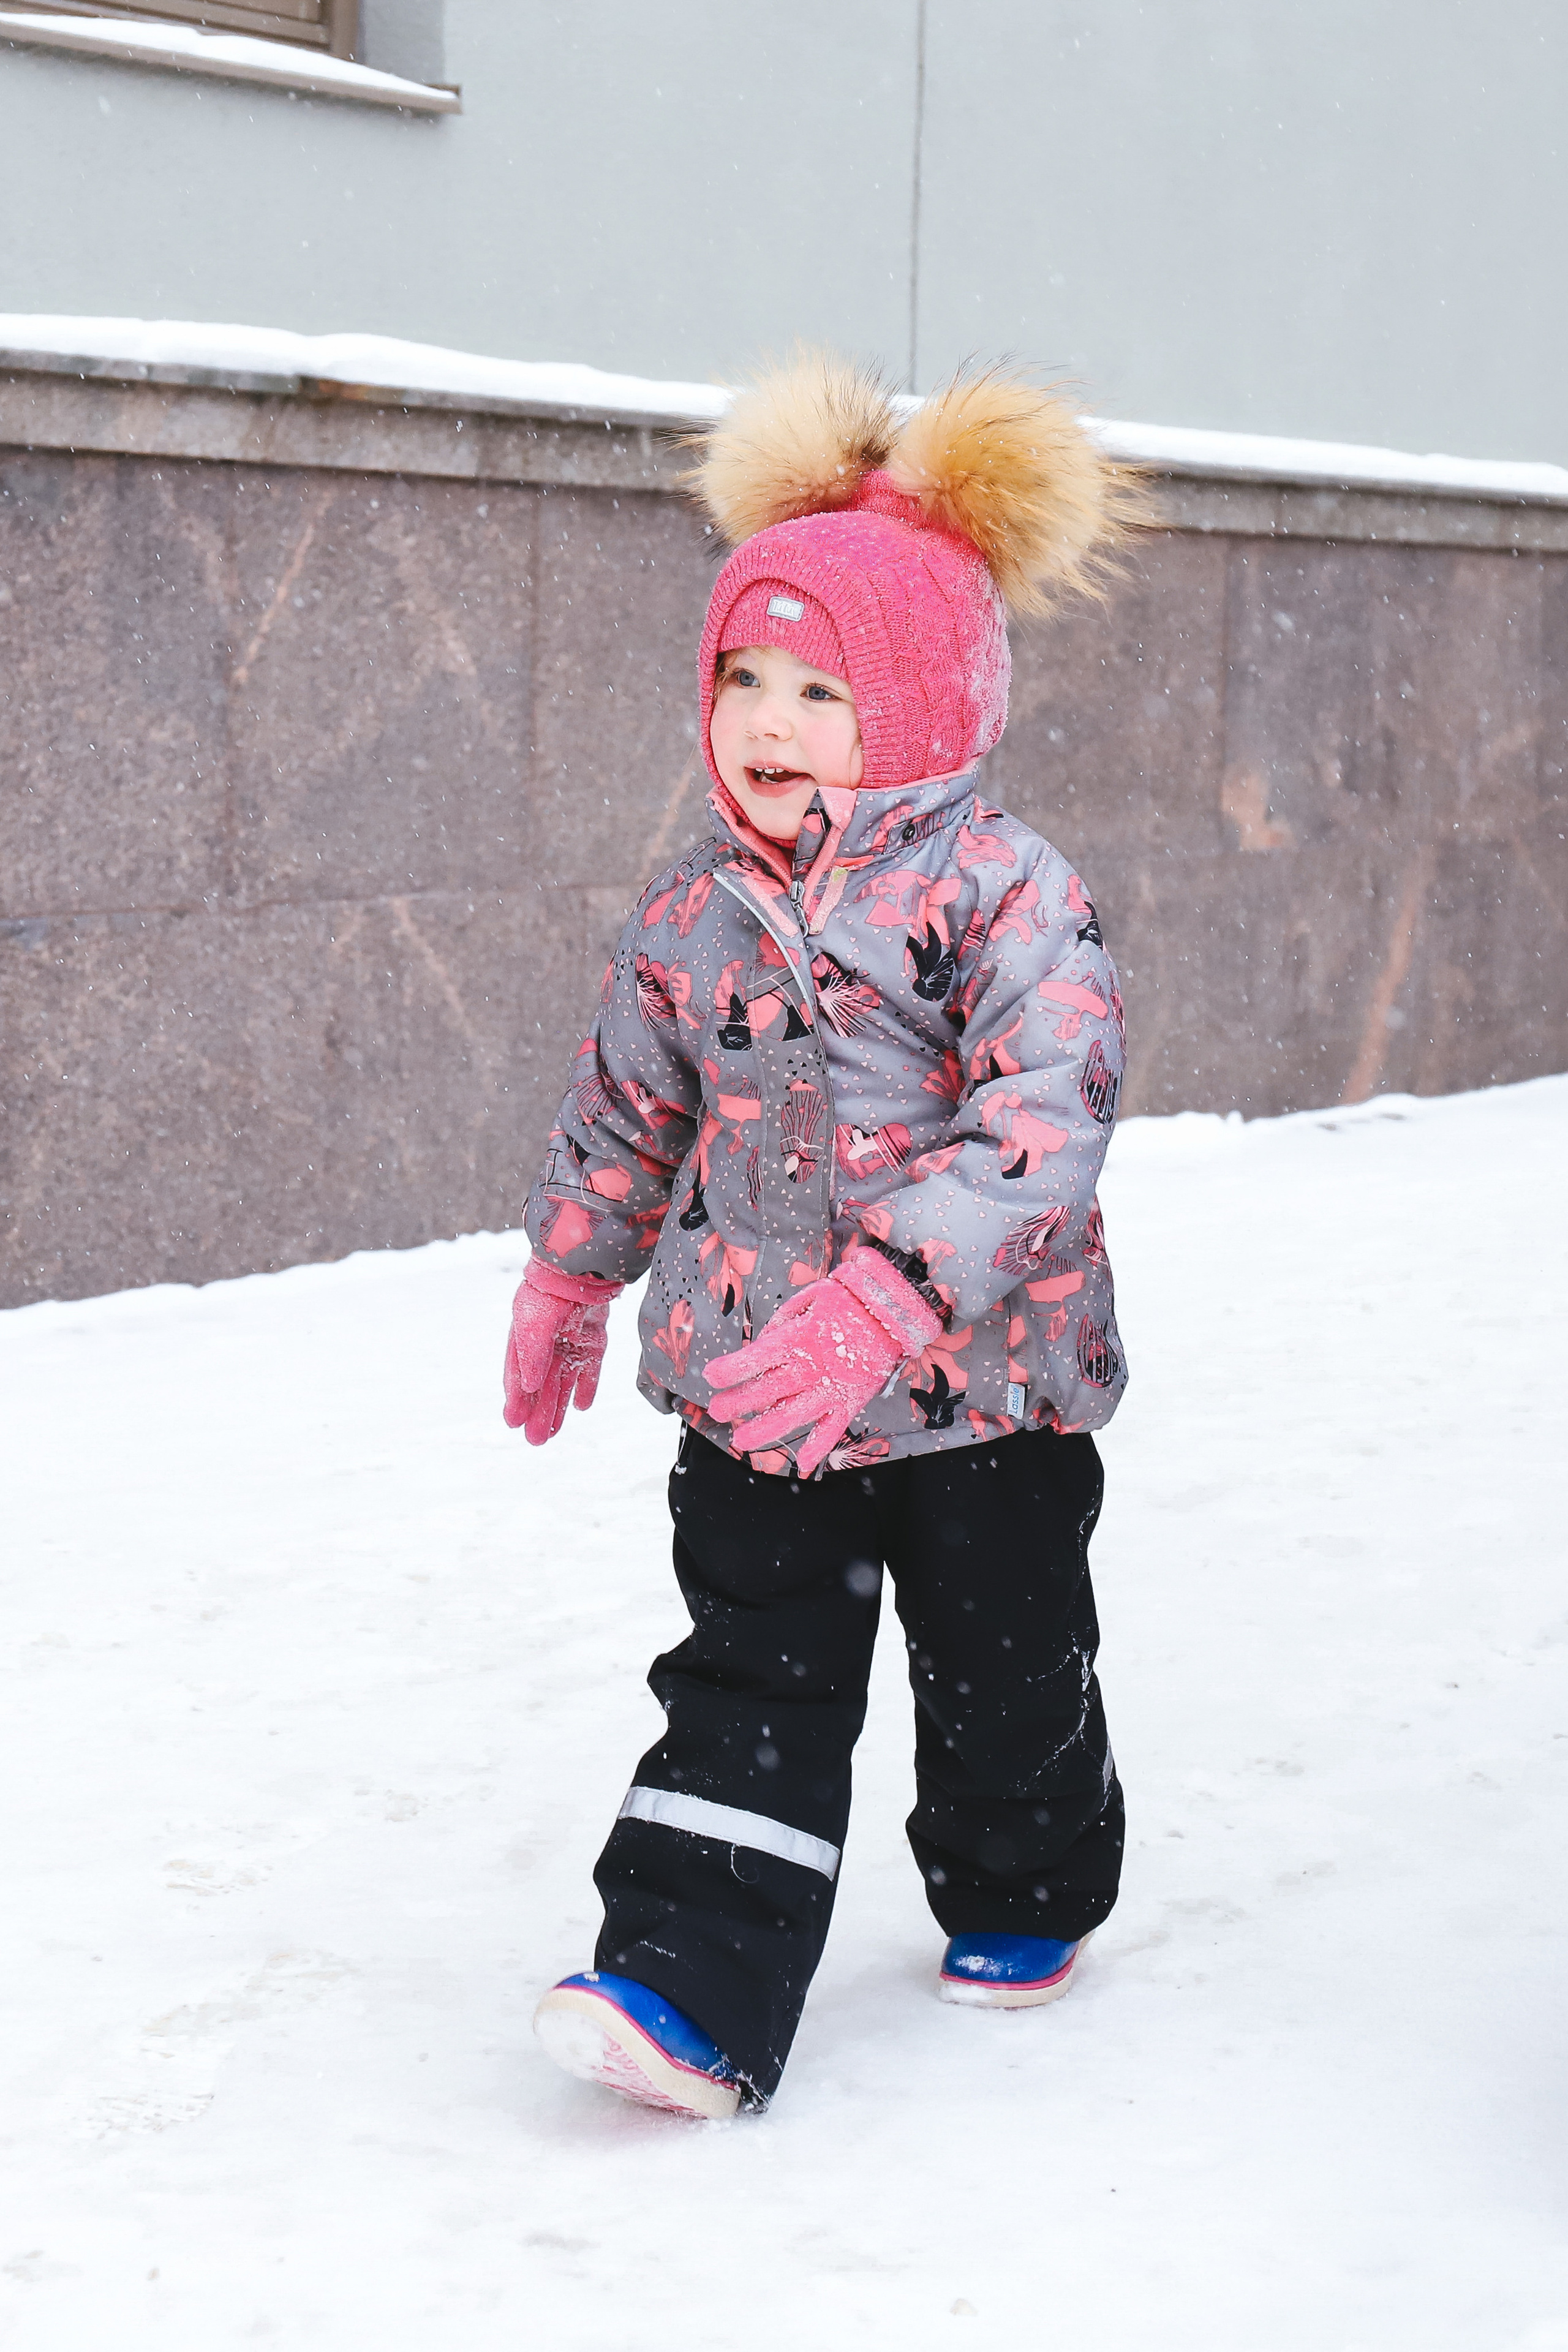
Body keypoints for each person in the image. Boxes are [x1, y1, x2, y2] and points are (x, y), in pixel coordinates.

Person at [503, 354, 1141, 2118]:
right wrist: (570, 1271)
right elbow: (631, 1109)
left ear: (926, 703)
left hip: (982, 1393)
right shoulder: (692, 912)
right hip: (761, 1386)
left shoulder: (1004, 895)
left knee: (1001, 1666)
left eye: (822, 689)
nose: (769, 721)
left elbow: (1044, 1129)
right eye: (741, 678)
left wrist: (887, 1305)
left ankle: (1028, 1882)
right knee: (748, 1677)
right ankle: (683, 1986)